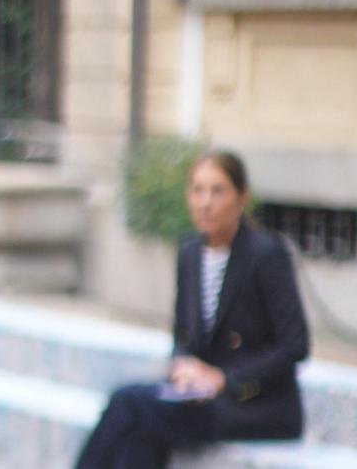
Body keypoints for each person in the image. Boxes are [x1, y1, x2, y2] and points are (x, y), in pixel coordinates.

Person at [75, 150, 309, 469]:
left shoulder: (266, 254)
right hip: (199, 398)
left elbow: (295, 345)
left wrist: (222, 379)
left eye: (217, 191)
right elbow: (182, 335)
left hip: (256, 407)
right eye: (198, 190)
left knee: (128, 403)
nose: (205, 202)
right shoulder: (189, 253)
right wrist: (183, 368)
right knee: (139, 430)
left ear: (242, 197)